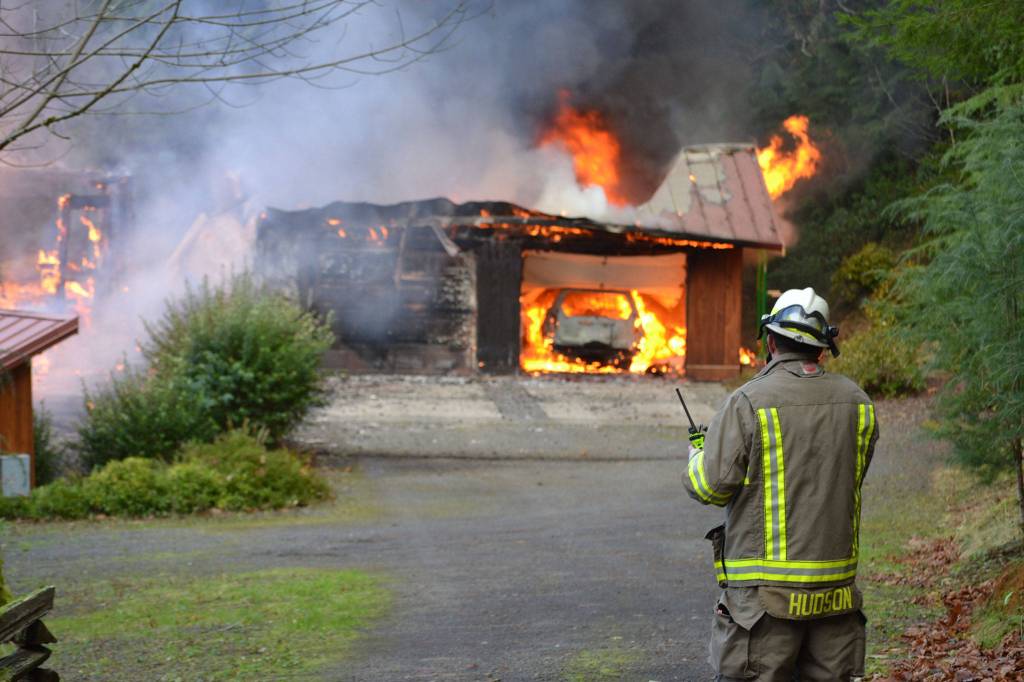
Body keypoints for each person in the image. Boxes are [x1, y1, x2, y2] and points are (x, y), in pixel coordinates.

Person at [683, 287, 878, 682]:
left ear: (770, 341)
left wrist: (697, 455)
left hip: (764, 608)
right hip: (836, 602)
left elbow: (711, 487)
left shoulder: (748, 401)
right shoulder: (859, 403)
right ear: (822, 349)